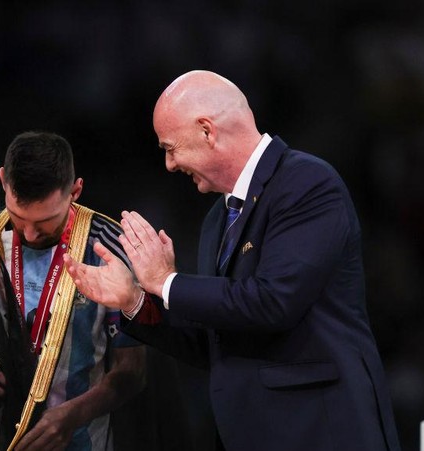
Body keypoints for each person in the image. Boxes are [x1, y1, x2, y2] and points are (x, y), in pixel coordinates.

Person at [63, 70, 401, 451]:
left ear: (207, 131)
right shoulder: (217, 219)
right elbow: (215, 341)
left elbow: (273, 302)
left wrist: (166, 282)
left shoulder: (306, 183)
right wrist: (136, 300)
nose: (169, 164)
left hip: (320, 432)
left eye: (170, 148)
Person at [0, 131, 146, 450]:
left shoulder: (110, 251)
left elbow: (133, 371)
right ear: (3, 181)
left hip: (81, 441)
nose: (30, 233)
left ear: (75, 191)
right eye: (18, 217)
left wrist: (73, 415)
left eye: (46, 221)